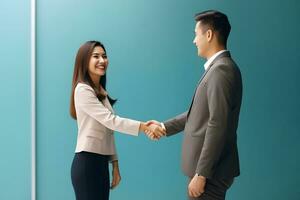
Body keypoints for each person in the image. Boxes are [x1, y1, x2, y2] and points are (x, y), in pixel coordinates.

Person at [146, 10, 243, 200]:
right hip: (210, 171)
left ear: (209, 35)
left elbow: (218, 124)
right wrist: (164, 127)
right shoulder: (218, 69)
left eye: (196, 34)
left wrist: (202, 174)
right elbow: (201, 113)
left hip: (210, 173)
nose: (194, 40)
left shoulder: (221, 70)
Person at [69, 40, 165, 200]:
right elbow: (111, 121)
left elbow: (108, 131)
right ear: (84, 61)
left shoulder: (100, 92)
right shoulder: (83, 90)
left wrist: (115, 164)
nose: (102, 60)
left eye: (104, 56)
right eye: (96, 56)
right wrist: (145, 127)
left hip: (100, 163)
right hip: (87, 163)